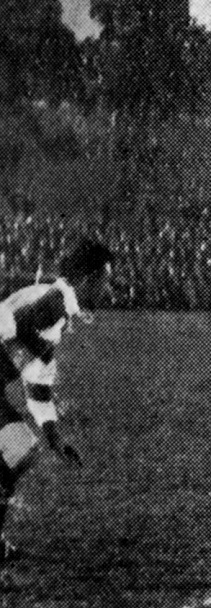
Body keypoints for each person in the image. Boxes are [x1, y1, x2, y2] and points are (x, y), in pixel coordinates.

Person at [0, 238, 110, 562]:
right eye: (105, 281)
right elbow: (19, 324)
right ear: (89, 280)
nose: (107, 290)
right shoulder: (56, 301)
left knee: (18, 451)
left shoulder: (53, 303)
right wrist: (40, 347)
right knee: (18, 449)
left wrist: (54, 438)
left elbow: (37, 386)